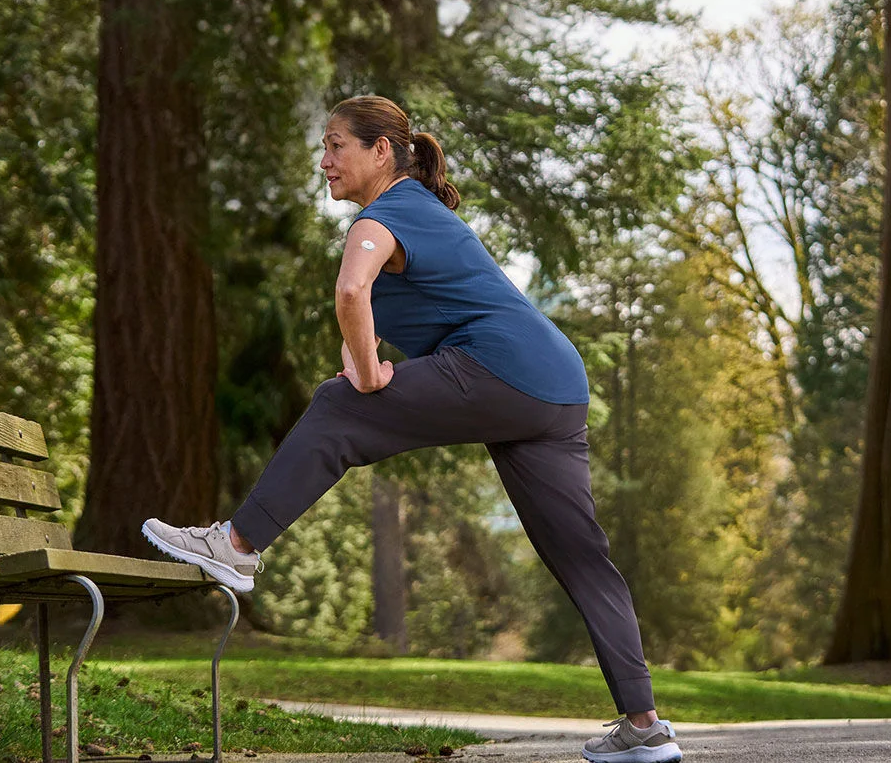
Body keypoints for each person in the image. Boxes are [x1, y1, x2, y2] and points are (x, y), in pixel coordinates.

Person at [142, 95, 682, 763]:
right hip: (556, 386)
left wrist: (367, 380)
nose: (325, 160)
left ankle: (236, 544)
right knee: (581, 556)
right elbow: (358, 335)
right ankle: (645, 726)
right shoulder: (415, 213)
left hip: (504, 367)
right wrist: (363, 370)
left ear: (380, 151)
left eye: (337, 144)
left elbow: (350, 296)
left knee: (339, 407)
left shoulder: (386, 213)